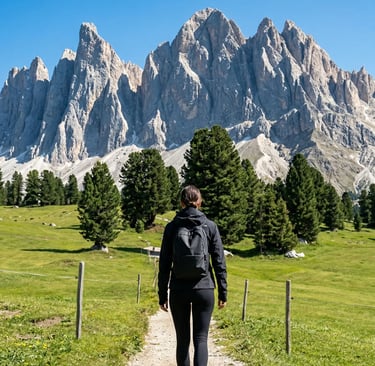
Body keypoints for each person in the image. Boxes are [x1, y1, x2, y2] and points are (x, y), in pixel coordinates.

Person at [158, 185, 227, 366]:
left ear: (181, 203)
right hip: (204, 288)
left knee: (182, 341)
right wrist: (223, 292)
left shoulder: (172, 227)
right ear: (199, 202)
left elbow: (164, 263)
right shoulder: (210, 226)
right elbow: (219, 261)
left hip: (178, 289)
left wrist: (162, 294)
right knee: (201, 339)